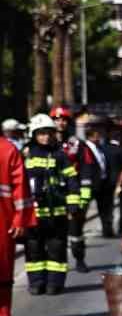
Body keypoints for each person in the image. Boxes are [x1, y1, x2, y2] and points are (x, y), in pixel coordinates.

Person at [22, 113, 79, 295]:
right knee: (33, 250)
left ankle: (55, 283)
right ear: (33, 134)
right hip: (34, 213)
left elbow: (71, 179)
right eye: (41, 133)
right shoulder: (25, 155)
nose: (45, 137)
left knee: (57, 249)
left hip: (57, 212)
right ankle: (37, 282)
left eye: (48, 133)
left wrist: (73, 203)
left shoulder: (60, 155)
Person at [55, 107, 97, 273]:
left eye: (64, 119)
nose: (61, 122)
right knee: (56, 232)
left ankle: (79, 259)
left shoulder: (77, 144)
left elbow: (87, 168)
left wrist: (84, 196)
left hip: (74, 192)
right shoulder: (45, 143)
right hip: (54, 194)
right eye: (57, 119)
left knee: (75, 229)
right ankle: (58, 265)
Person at [0, 126, 33, 316]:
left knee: (3, 269)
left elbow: (20, 186)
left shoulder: (8, 149)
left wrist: (20, 219)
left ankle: (4, 314)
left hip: (2, 220)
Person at [86, 118, 122, 239]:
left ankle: (107, 229)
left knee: (106, 208)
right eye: (96, 135)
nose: (99, 137)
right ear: (91, 136)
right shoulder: (86, 148)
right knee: (85, 209)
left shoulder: (100, 148)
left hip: (103, 182)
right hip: (90, 183)